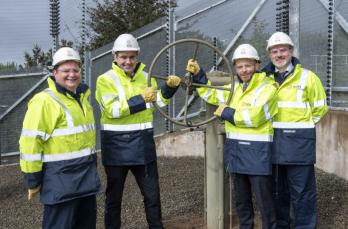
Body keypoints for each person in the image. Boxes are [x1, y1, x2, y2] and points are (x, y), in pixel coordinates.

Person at [186, 44, 278, 228]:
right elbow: (211, 94)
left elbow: (254, 118)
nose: (244, 70)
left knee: (265, 203)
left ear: (257, 65)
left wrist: (226, 112)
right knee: (242, 202)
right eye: (240, 66)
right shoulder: (233, 88)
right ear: (235, 68)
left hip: (258, 154)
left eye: (248, 65)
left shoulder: (268, 88)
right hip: (237, 152)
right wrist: (198, 75)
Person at [95, 33, 181, 229]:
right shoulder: (104, 80)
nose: (128, 61)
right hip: (116, 148)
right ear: (115, 57)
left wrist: (169, 89)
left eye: (132, 57)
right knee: (114, 199)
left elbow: (156, 102)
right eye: (123, 57)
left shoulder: (145, 76)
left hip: (143, 146)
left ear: (137, 57)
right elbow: (113, 110)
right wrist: (142, 98)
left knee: (152, 197)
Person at [19, 47, 101, 229]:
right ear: (54, 72)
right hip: (61, 184)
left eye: (75, 70)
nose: (72, 74)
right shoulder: (44, 101)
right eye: (66, 70)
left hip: (85, 180)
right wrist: (32, 179)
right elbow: (30, 143)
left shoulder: (82, 99)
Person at [262, 32, 328, 228]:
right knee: (277, 193)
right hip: (271, 145)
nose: (279, 54)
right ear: (269, 55)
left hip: (299, 146)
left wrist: (302, 127)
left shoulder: (308, 77)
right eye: (275, 51)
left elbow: (320, 108)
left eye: (283, 50)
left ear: (291, 51)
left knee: (303, 193)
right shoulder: (262, 79)